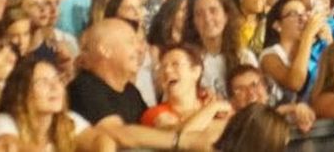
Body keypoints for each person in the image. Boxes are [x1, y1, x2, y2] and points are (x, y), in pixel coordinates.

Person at [66, 19, 227, 151]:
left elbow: (153, 133)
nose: (140, 49)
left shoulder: (131, 91)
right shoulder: (84, 86)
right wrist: (181, 140)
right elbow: (118, 134)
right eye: (131, 42)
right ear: (105, 50)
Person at [0, 58, 110, 152]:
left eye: (57, 79)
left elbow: (101, 139)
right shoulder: (4, 120)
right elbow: (11, 146)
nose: (54, 87)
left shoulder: (69, 119)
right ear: (22, 92)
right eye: (43, 82)